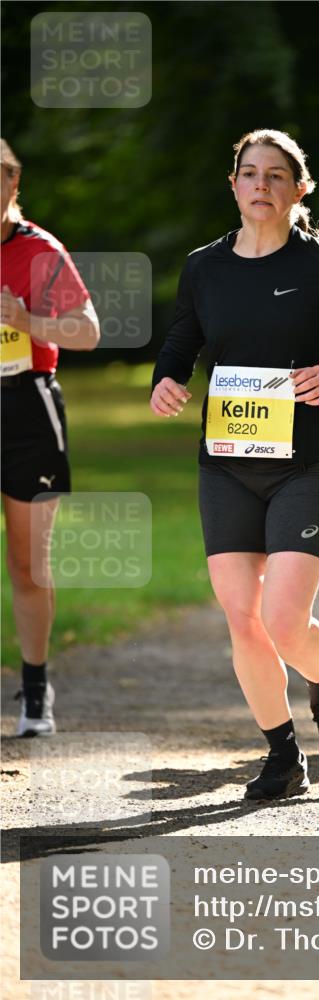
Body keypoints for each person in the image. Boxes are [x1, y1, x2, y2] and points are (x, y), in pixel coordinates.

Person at [150, 128, 319, 799]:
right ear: (232, 185)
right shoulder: (204, 266)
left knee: (283, 619)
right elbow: (183, 337)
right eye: (249, 174)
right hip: (226, 463)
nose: (260, 186)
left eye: (275, 175)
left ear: (298, 189)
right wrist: (166, 379)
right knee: (241, 616)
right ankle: (282, 755)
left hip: (303, 465)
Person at [1, 138, 100, 736]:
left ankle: (35, 688)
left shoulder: (38, 250)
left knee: (27, 564)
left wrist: (26, 320)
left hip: (25, 407)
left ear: (12, 185)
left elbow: (87, 332)